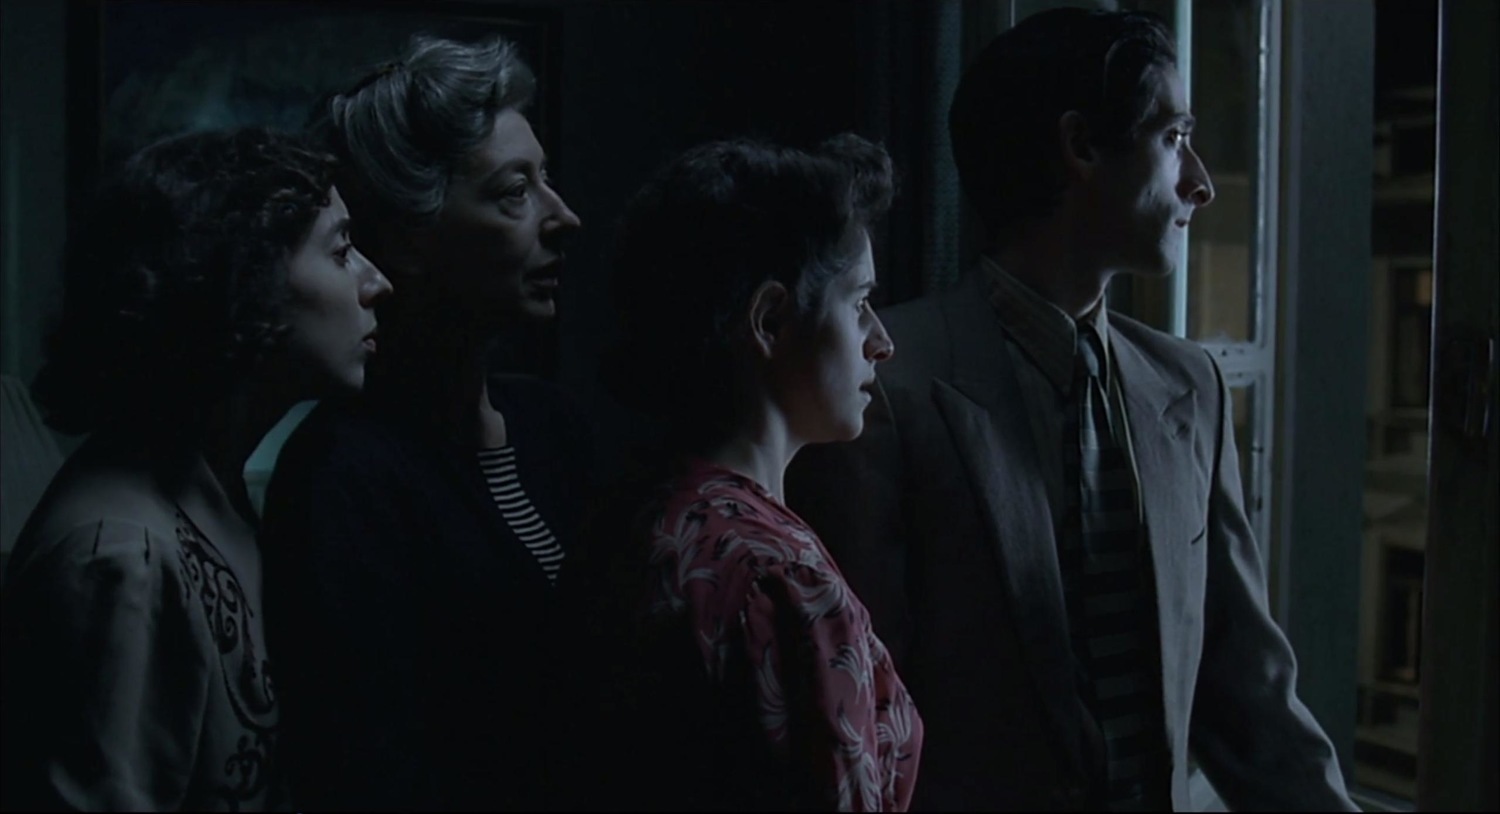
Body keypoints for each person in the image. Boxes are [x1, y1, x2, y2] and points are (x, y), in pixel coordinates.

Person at [786, 8, 1358, 812]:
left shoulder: (1188, 386)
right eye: (1173, 137)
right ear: (1081, 146)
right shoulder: (883, 385)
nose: (1201, 181)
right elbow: (861, 713)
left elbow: (1249, 693)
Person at [0, 127, 391, 811]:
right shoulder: (121, 558)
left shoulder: (216, 494)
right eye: (340, 251)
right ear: (242, 278)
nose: (375, 282)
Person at [257, 33, 589, 810]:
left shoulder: (556, 428)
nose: (564, 217)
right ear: (410, 234)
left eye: (546, 180)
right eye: (515, 191)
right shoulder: (342, 476)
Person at [566, 134, 922, 812]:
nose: (882, 341)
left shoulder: (623, 519)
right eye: (858, 303)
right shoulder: (777, 578)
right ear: (770, 320)